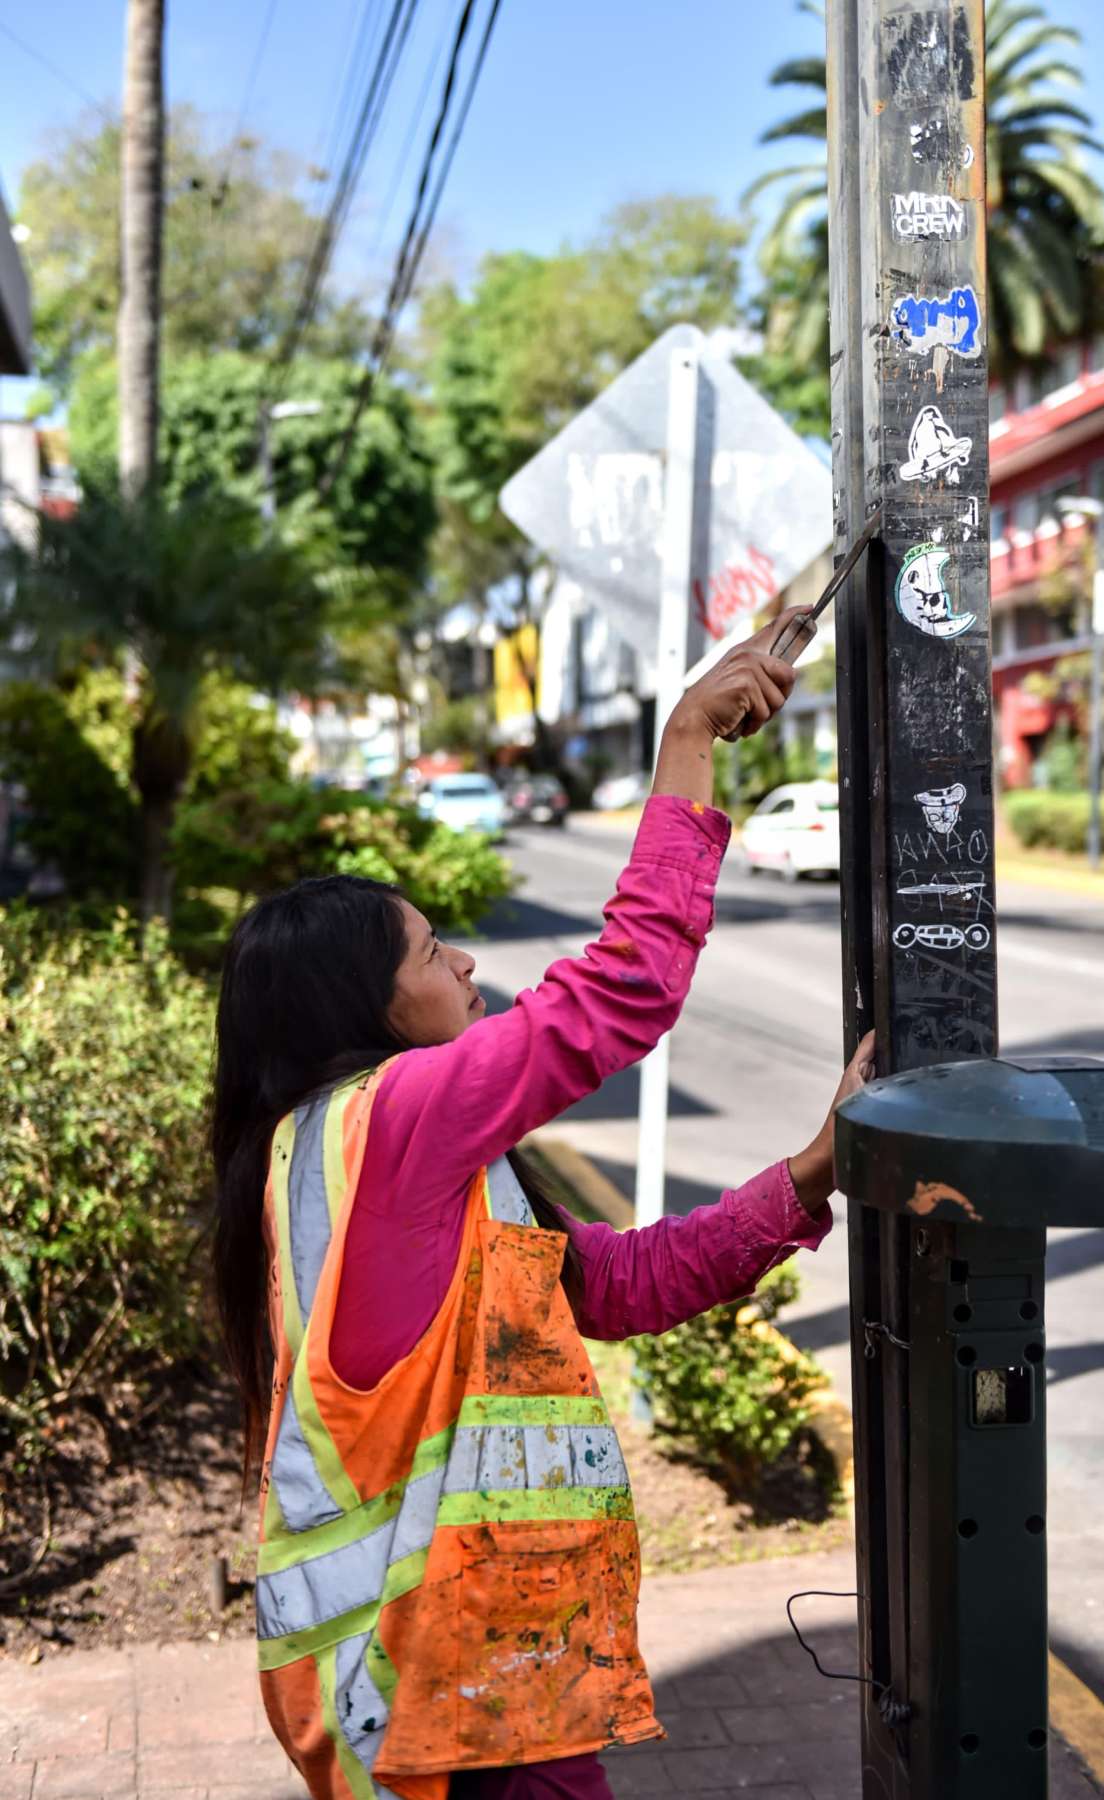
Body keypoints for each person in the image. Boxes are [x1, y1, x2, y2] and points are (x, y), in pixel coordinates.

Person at [210, 609, 875, 1800]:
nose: (464, 961)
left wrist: (813, 1174)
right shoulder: (393, 1120)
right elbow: (623, 989)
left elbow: (610, 1288)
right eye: (425, 953)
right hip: (434, 1692)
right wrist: (686, 738)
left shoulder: (351, 1157)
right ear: (355, 1010)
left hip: (446, 1677)